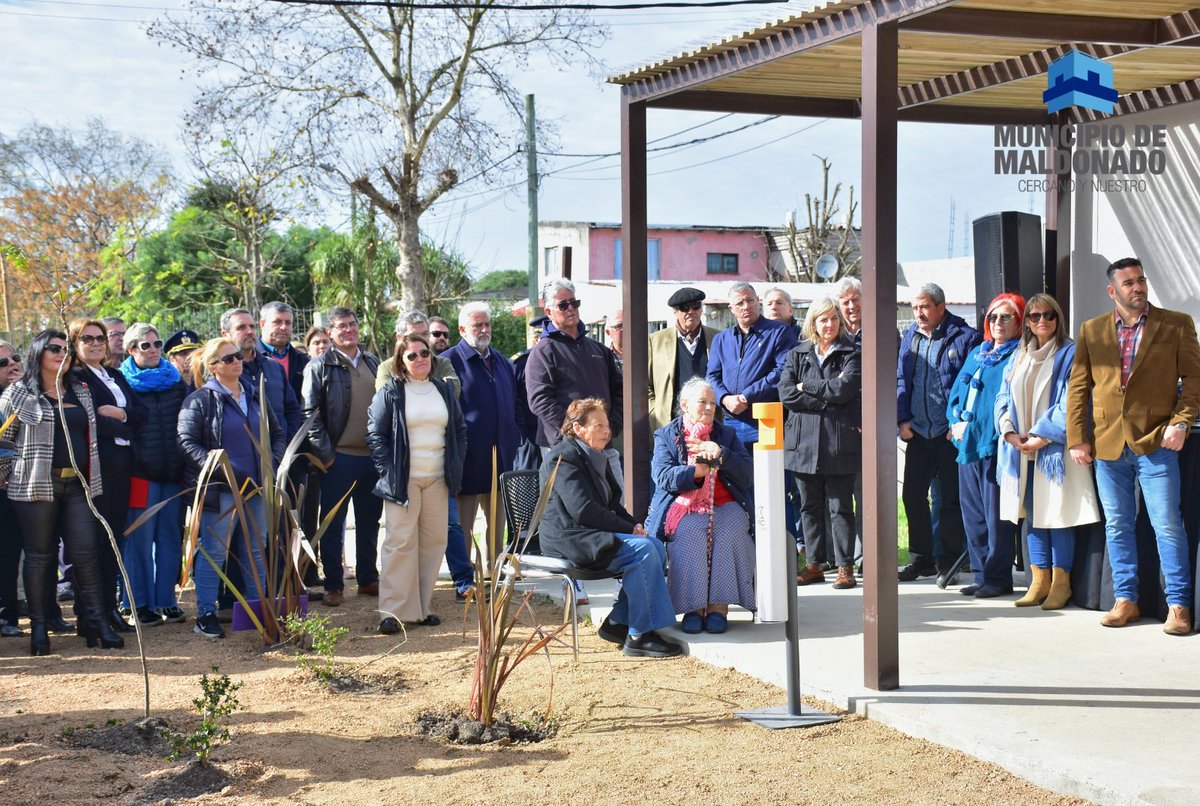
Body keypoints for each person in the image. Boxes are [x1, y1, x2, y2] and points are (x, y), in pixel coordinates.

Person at [1066, 257, 1200, 635]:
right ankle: (1126, 600)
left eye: (1141, 280)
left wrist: (1181, 421)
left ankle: (1178, 606)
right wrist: (1078, 437)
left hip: (1157, 441)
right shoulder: (1092, 330)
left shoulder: (1175, 324)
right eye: (1128, 283)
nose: (1137, 287)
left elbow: (1193, 379)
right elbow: (1078, 388)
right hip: (1108, 445)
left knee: (1168, 525)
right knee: (1118, 526)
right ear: (1113, 291)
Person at [0, 330, 123, 655]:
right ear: (38, 352)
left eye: (66, 349)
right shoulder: (17, 394)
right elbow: (2, 442)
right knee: (41, 556)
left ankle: (97, 625)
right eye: (54, 348)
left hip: (79, 484)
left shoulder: (81, 390)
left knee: (86, 553)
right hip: (34, 487)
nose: (62, 353)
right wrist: (7, 480)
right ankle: (39, 629)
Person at [541, 398, 681, 659]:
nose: (608, 431)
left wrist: (634, 526)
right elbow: (583, 511)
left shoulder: (595, 454)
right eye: (599, 426)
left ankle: (618, 623)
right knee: (643, 552)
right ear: (578, 428)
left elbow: (611, 505)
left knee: (654, 547)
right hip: (571, 537)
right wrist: (627, 530)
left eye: (607, 425)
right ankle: (640, 635)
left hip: (591, 532)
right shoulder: (563, 457)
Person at [996, 294, 1100, 610]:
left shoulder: (1070, 353)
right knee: (1031, 516)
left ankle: (1061, 583)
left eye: (1049, 315)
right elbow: (1003, 396)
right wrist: (1009, 431)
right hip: (1021, 451)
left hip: (1054, 450)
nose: (1042, 321)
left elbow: (1072, 401)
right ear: (1026, 321)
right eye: (1034, 316)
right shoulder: (1019, 355)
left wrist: (1040, 436)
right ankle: (1038, 582)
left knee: (1057, 516)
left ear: (1058, 318)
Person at [178, 337, 284, 639]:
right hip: (220, 490)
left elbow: (276, 433)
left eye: (238, 356)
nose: (237, 361)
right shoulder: (199, 400)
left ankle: (258, 609)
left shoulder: (253, 395)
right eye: (228, 359)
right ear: (213, 367)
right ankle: (206, 614)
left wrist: (271, 463)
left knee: (255, 549)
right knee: (214, 551)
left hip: (256, 488)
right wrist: (219, 469)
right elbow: (187, 443)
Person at [368, 332, 466, 632]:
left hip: (438, 479)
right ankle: (393, 612)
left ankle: (421, 608)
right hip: (403, 481)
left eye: (424, 353)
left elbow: (459, 430)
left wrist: (456, 465)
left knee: (434, 542)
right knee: (400, 544)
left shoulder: (442, 389)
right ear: (400, 361)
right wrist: (390, 472)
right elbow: (375, 434)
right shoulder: (391, 391)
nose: (420, 359)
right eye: (412, 355)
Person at [646, 378, 754, 633]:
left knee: (729, 531)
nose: (708, 408)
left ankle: (718, 606)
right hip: (684, 503)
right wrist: (696, 471)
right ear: (684, 405)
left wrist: (722, 455)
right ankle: (693, 607)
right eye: (702, 402)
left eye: (712, 403)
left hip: (725, 500)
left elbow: (747, 474)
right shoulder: (667, 435)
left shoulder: (725, 434)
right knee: (690, 532)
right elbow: (662, 476)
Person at [897, 283, 981, 584]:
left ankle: (948, 562)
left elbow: (971, 384)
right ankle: (921, 560)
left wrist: (957, 422)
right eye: (915, 307)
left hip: (948, 434)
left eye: (924, 307)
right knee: (912, 497)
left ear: (941, 307)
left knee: (948, 501)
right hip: (918, 432)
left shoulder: (966, 337)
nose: (919, 313)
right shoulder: (910, 337)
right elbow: (901, 379)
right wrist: (902, 419)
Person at [301, 307, 382, 607]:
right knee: (333, 524)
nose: (349, 330)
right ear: (330, 333)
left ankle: (367, 578)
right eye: (341, 327)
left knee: (369, 521)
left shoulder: (373, 362)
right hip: (338, 458)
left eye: (352, 324)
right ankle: (333, 583)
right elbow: (310, 414)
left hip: (372, 457)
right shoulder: (319, 366)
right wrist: (327, 456)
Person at [779, 297, 862, 589]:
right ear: (813, 323)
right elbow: (786, 394)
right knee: (809, 507)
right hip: (803, 443)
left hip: (838, 443)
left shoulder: (852, 353)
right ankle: (814, 564)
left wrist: (810, 388)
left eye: (834, 318)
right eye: (823, 319)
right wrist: (826, 399)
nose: (830, 324)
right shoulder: (797, 354)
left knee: (840, 507)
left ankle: (845, 567)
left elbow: (843, 389)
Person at [69, 318, 146, 633]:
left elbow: (142, 413)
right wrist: (124, 424)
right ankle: (92, 612)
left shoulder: (114, 374)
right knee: (97, 541)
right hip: (96, 468)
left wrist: (122, 415)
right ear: (75, 343)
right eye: (87, 338)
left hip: (123, 465)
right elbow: (87, 421)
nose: (96, 343)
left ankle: (109, 609)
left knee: (113, 538)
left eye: (100, 337)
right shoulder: (75, 378)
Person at [945, 293, 1024, 598]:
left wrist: (980, 428)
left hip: (993, 446)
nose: (998, 323)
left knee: (995, 516)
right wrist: (954, 421)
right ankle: (980, 574)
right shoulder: (978, 352)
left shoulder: (1018, 355)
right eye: (993, 317)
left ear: (1019, 321)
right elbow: (957, 391)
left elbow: (1005, 401)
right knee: (973, 513)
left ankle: (997, 576)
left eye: (1006, 317)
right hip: (966, 444)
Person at [120, 323, 189, 625]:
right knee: (139, 541)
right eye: (144, 345)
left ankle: (166, 600)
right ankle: (138, 602)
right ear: (131, 349)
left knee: (171, 538)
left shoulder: (175, 381)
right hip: (139, 475)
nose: (152, 350)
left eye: (156, 343)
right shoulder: (121, 382)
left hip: (172, 474)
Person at [445, 302, 519, 557]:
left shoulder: (502, 361)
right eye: (478, 325)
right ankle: (466, 584)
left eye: (487, 324)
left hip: (501, 458)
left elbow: (515, 404)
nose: (484, 329)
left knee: (498, 527)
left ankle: (495, 579)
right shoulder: (448, 361)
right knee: (463, 527)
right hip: (468, 460)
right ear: (463, 328)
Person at [525, 278, 623, 453]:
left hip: (603, 445)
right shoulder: (543, 352)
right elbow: (539, 400)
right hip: (563, 446)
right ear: (548, 311)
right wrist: (577, 431)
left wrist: (612, 426)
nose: (570, 308)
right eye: (563, 305)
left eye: (574, 303)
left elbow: (619, 390)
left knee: (614, 481)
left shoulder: (598, 349)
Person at [707, 282, 797, 454]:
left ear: (758, 301)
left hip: (766, 419)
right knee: (736, 477)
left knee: (770, 476)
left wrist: (746, 396)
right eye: (740, 303)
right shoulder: (721, 339)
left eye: (750, 300)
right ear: (731, 308)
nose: (746, 306)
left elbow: (783, 371)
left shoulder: (779, 331)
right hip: (731, 420)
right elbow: (712, 376)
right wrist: (725, 398)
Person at [648, 287, 719, 433]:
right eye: (684, 308)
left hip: (710, 423)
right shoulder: (655, 341)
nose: (690, 311)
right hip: (670, 422)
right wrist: (655, 409)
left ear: (701, 309)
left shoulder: (717, 338)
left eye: (695, 306)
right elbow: (645, 385)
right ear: (675, 312)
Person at [0, 340, 26, 637]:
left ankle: (9, 614)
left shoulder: (28, 396)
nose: (12, 365)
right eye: (2, 363)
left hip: (22, 486)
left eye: (14, 358)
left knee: (11, 553)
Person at [511, 315, 547, 472]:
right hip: (529, 437)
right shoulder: (521, 363)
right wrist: (520, 433)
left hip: (557, 434)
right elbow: (513, 399)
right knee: (527, 487)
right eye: (539, 338)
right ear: (535, 338)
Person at [259, 301, 307, 399]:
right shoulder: (250, 358)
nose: (283, 327)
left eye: (288, 323)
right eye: (277, 322)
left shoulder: (303, 361)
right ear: (262, 325)